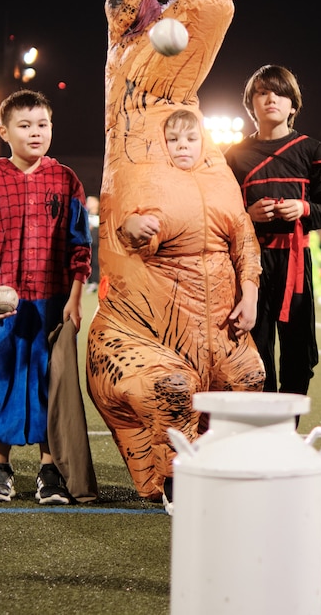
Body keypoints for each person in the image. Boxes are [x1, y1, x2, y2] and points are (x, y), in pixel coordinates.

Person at [88, 108, 264, 508]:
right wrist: (133, 231)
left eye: (190, 139)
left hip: (219, 329)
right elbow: (127, 229)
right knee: (172, 389)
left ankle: (222, 472)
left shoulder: (221, 185)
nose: (183, 147)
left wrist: (249, 294)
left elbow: (244, 241)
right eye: (174, 140)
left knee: (249, 380)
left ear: (204, 142)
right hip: (157, 332)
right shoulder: (151, 183)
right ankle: (174, 481)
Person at [0, 89, 90, 505]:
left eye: (43, 124)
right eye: (25, 125)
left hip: (50, 304)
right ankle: (1, 467)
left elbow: (79, 245)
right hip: (1, 310)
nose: (35, 132)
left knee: (50, 386)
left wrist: (75, 295)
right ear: (4, 132)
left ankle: (49, 470)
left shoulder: (66, 180)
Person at [225, 64, 321, 398]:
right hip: (251, 266)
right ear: (251, 104)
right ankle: (260, 439)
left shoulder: (311, 151)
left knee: (298, 358)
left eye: (279, 92)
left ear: (293, 105)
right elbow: (224, 216)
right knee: (254, 356)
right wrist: (248, 214)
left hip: (295, 264)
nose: (271, 98)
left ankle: (286, 438)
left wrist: (302, 209)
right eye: (262, 92)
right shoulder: (234, 157)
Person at [85, 195, 100, 291]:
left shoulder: (101, 213)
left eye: (91, 202)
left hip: (98, 243)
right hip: (88, 243)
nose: (88, 203)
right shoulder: (86, 214)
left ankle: (95, 281)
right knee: (88, 262)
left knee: (96, 261)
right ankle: (90, 281)